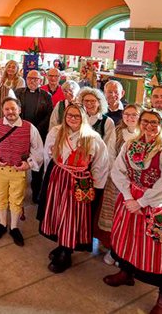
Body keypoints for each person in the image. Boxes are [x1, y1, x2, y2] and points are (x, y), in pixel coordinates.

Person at [104, 108, 162, 314]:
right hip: (129, 200)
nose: (149, 126)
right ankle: (126, 272)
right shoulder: (130, 145)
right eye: (145, 121)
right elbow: (118, 171)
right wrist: (129, 197)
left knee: (161, 250)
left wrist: (141, 202)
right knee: (127, 239)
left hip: (155, 205)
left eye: (154, 122)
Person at [38, 103, 109, 274]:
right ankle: (62, 244)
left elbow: (101, 165)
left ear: (83, 117)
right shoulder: (56, 132)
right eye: (69, 115)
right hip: (58, 177)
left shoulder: (92, 138)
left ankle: (66, 252)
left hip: (79, 182)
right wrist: (47, 175)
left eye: (77, 116)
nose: (73, 118)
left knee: (72, 217)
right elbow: (48, 154)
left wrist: (96, 188)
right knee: (58, 212)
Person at [0, 97, 44, 246]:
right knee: (1, 197)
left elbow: (38, 150)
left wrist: (29, 164)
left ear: (19, 110)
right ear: (2, 111)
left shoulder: (29, 127)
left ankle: (14, 227)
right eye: (7, 109)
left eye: (13, 109)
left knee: (17, 199)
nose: (10, 112)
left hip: (18, 172)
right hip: (0, 170)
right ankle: (2, 224)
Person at [98, 103, 141, 264]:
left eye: (134, 114)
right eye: (126, 114)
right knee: (115, 216)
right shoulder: (118, 132)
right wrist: (116, 175)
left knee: (129, 218)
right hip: (116, 180)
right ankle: (113, 248)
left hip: (136, 184)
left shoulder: (143, 134)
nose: (130, 117)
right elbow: (110, 153)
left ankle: (126, 251)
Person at [15, 70, 54, 203]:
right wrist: (22, 127)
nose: (32, 81)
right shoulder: (18, 93)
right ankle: (16, 193)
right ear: (26, 79)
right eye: (30, 78)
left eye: (35, 79)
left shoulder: (46, 95)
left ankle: (36, 193)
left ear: (40, 81)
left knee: (37, 164)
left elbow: (49, 115)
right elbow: (14, 110)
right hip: (20, 133)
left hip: (39, 134)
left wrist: (35, 130)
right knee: (18, 162)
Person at [78, 87, 117, 157]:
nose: (89, 103)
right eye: (86, 101)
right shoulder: (78, 118)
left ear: (99, 103)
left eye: (93, 101)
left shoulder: (107, 121)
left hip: (98, 158)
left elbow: (109, 147)